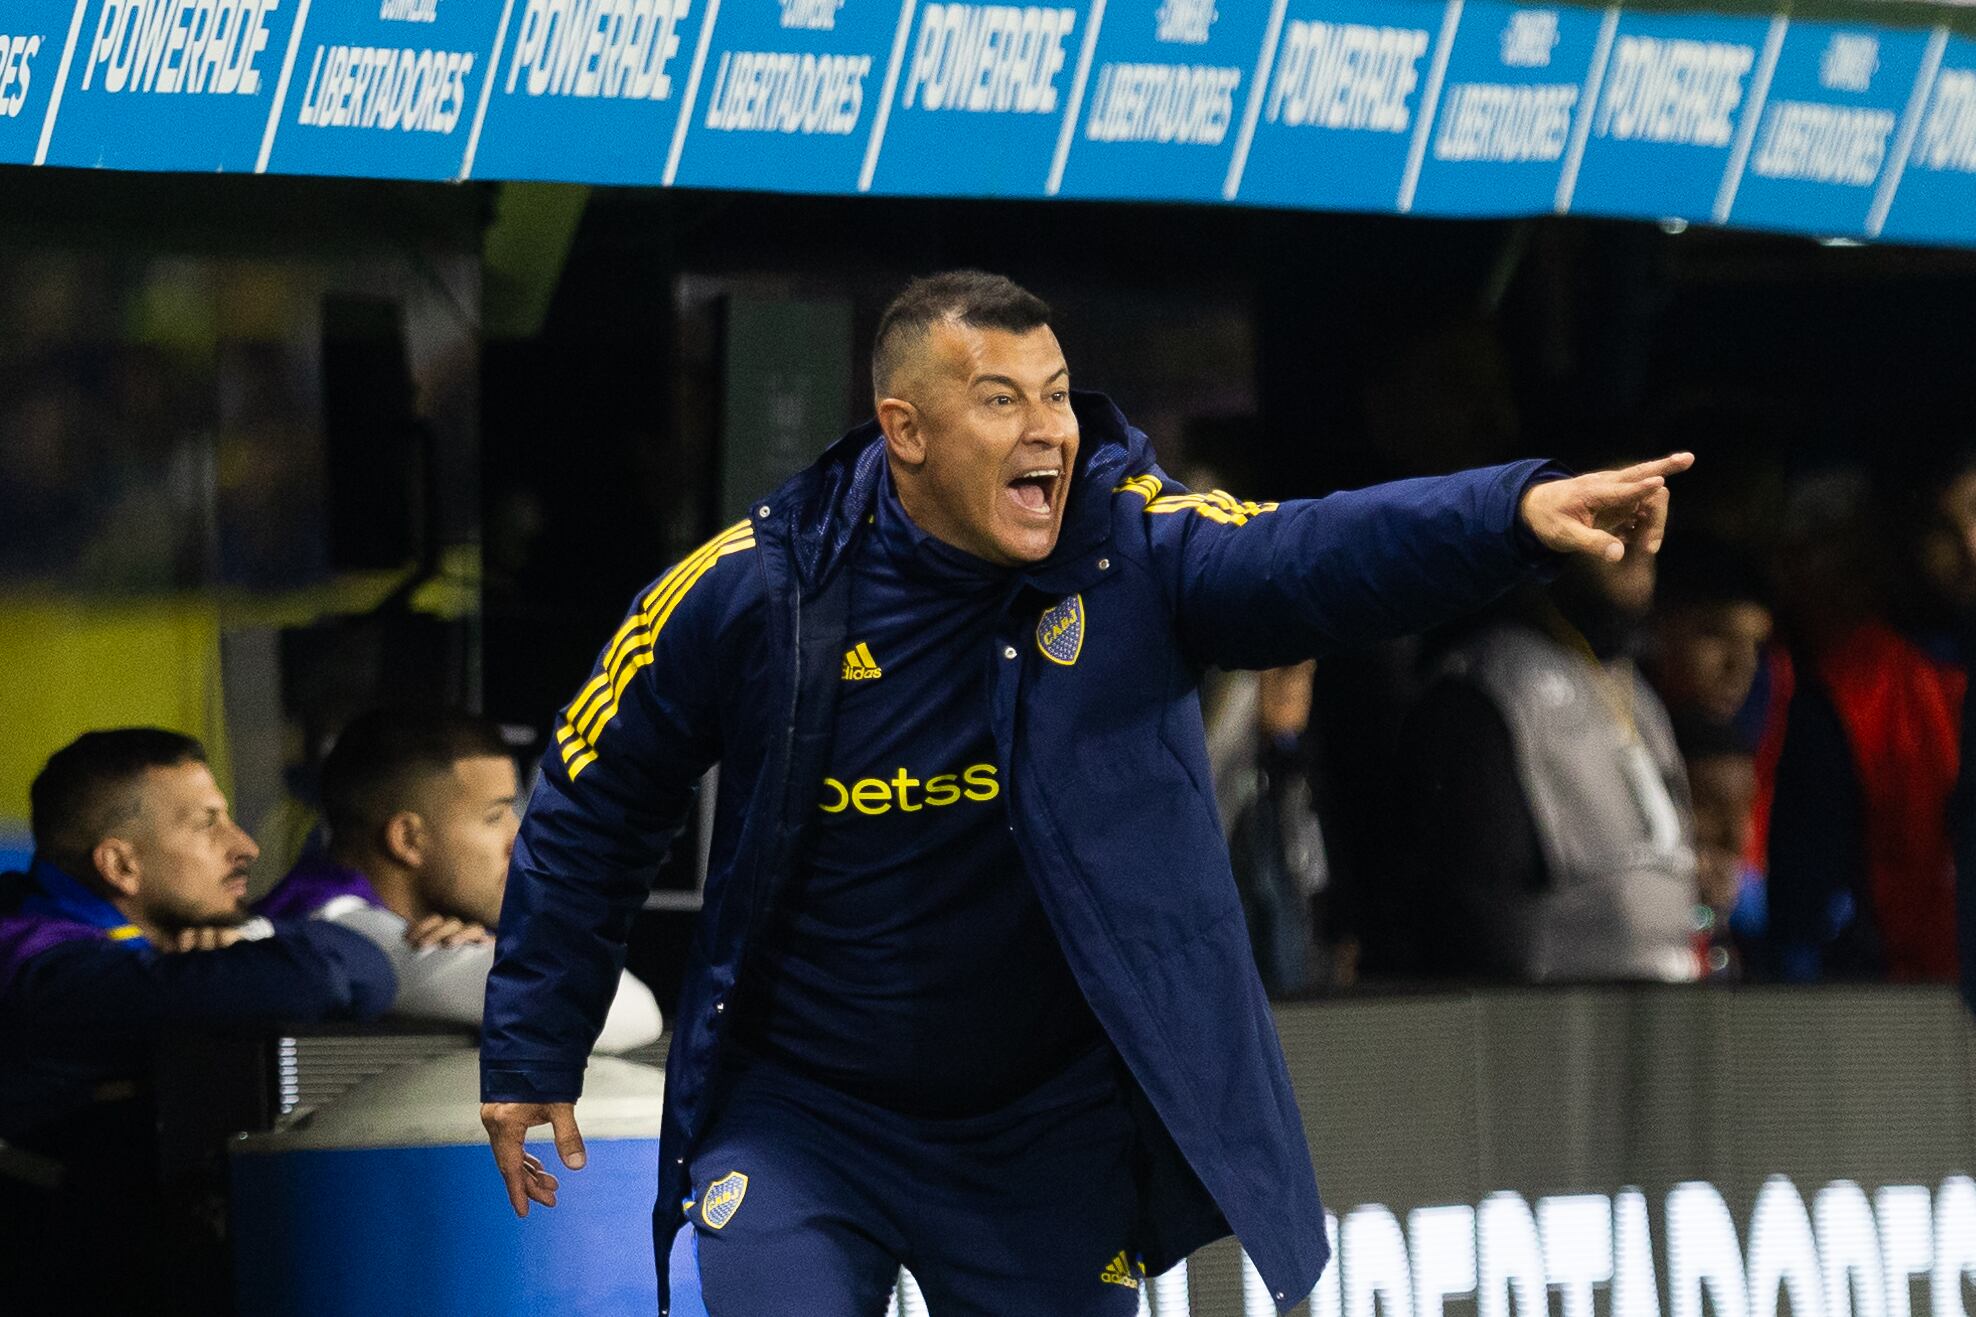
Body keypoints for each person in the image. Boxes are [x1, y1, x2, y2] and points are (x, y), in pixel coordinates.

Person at [478, 270, 1691, 1315]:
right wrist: (534, 1041)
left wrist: (1509, 515)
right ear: (904, 430)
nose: (1046, 431)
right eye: (998, 400)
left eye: (1055, 394)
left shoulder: (1132, 550)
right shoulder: (758, 587)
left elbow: (1304, 553)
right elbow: (592, 797)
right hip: (804, 1114)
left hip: (1038, 1134)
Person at [0, 728, 396, 1310]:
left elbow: (371, 967)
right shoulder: (45, 975)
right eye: (206, 824)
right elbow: (319, 980)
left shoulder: (145, 947)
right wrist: (253, 952)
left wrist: (249, 937)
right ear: (121, 865)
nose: (245, 846)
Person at [1388, 518, 1702, 983]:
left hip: (1661, 1007)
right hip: (1552, 1014)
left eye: (1648, 514)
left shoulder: (1633, 689)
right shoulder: (1490, 685)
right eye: (1614, 516)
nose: (1640, 540)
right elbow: (1477, 916)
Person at [256, 710, 662, 1050]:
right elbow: (620, 1009)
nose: (521, 839)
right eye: (494, 817)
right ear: (408, 839)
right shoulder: (341, 932)